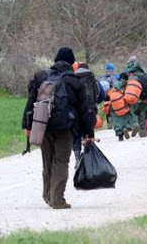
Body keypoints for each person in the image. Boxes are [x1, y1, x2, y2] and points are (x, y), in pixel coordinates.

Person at [21, 47, 95, 209]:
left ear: (55, 61)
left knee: (47, 161)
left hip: (43, 125)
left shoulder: (41, 77)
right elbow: (85, 109)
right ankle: (57, 199)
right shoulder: (74, 80)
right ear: (72, 63)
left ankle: (47, 195)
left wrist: (27, 125)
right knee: (60, 161)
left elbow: (30, 102)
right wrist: (88, 132)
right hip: (65, 128)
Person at [115, 56, 147, 137]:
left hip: (134, 97)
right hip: (145, 98)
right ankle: (142, 131)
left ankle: (135, 124)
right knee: (142, 114)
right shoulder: (144, 72)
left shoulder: (128, 73)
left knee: (133, 113)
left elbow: (121, 84)